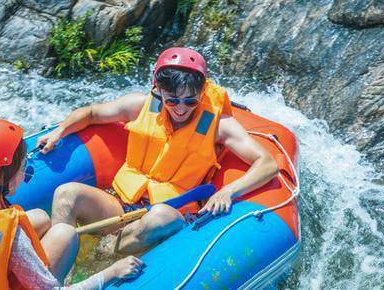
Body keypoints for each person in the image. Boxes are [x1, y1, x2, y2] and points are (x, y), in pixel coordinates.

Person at [39, 47, 279, 254]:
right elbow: (92, 113)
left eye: (190, 101)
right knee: (67, 192)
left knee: (159, 216)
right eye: (172, 100)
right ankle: (59, 277)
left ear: (202, 93)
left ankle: (104, 255)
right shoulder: (141, 105)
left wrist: (229, 191)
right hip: (121, 204)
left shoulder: (218, 125)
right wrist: (59, 132)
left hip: (171, 213)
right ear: (158, 89)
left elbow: (267, 163)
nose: (181, 108)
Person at [0, 119, 143, 289]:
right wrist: (111, 273)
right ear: (4, 179)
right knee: (64, 234)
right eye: (22, 168)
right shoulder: (11, 236)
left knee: (41, 217)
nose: (24, 173)